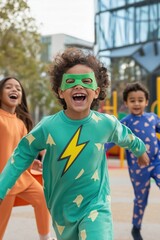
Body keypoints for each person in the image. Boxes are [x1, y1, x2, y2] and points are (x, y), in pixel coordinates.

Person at [0, 49, 149, 240]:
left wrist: (140, 150)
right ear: (61, 91)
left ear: (96, 91)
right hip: (62, 209)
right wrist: (2, 187)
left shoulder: (105, 123)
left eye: (86, 81)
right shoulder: (48, 126)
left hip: (96, 204)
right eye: (70, 82)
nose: (78, 86)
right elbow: (22, 153)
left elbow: (127, 136)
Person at [0, 77, 54, 240]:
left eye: (18, 88)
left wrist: (32, 164)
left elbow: (24, 150)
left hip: (23, 177)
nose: (14, 90)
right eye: (8, 87)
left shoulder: (20, 122)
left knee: (43, 199)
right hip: (4, 180)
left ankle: (45, 238)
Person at [105, 82, 160, 240]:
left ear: (146, 101)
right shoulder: (125, 123)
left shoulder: (152, 118)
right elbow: (111, 140)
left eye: (140, 100)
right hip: (138, 168)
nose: (137, 103)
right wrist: (99, 150)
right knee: (141, 199)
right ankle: (136, 227)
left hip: (157, 162)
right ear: (126, 103)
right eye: (132, 100)